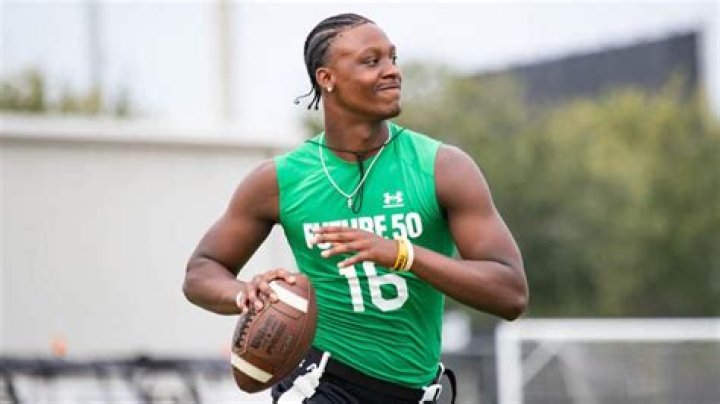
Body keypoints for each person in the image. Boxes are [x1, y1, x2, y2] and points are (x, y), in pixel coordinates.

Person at [183, 13, 528, 404]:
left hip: (415, 392)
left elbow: (511, 294)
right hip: (322, 383)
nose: (392, 71)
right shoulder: (280, 180)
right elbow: (201, 271)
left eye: (393, 58)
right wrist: (244, 293)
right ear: (326, 78)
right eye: (371, 61)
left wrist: (401, 254)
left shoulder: (443, 167)